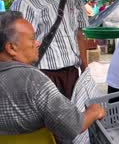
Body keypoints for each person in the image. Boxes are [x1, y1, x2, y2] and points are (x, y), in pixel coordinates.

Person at [0, 11, 105, 141]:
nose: (38, 43)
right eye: (32, 38)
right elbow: (73, 125)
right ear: (11, 48)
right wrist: (94, 111)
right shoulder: (33, 81)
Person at [10, 0, 89, 99]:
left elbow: (79, 35)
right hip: (42, 74)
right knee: (47, 123)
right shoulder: (26, 0)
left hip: (72, 73)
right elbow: (17, 44)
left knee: (74, 121)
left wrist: (85, 71)